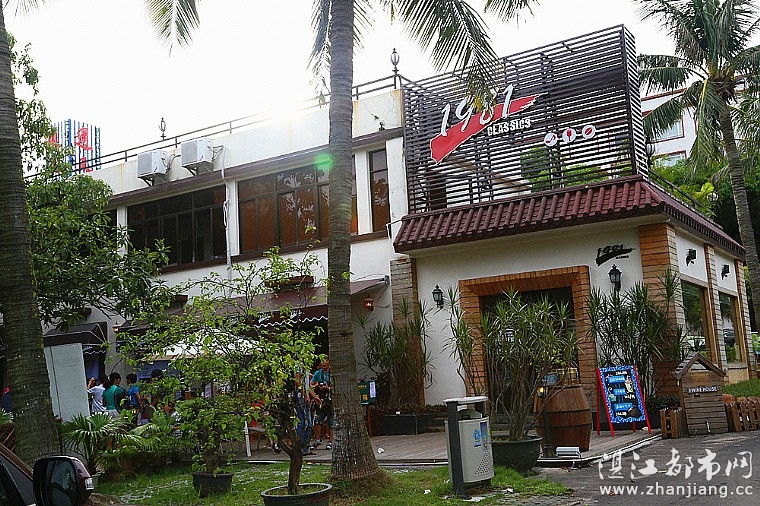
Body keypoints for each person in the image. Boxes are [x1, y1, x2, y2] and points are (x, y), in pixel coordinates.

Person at [310, 358, 333, 450]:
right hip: (320, 399)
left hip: (331, 399)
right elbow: (310, 385)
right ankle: (317, 439)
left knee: (331, 421)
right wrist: (315, 396)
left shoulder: (332, 372)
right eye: (322, 361)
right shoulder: (318, 373)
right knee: (317, 420)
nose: (324, 363)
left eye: (326, 361)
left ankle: (331, 441)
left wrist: (329, 388)